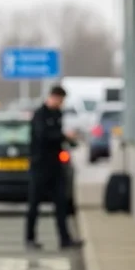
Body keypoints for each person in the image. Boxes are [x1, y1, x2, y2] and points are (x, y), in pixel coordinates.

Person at [26, 85, 83, 250]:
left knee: (61, 203)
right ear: (53, 97)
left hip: (55, 166)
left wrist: (70, 139)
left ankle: (65, 239)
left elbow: (57, 138)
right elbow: (44, 136)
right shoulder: (39, 114)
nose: (61, 104)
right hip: (39, 166)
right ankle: (30, 238)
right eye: (60, 100)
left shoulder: (57, 114)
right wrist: (64, 136)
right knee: (34, 203)